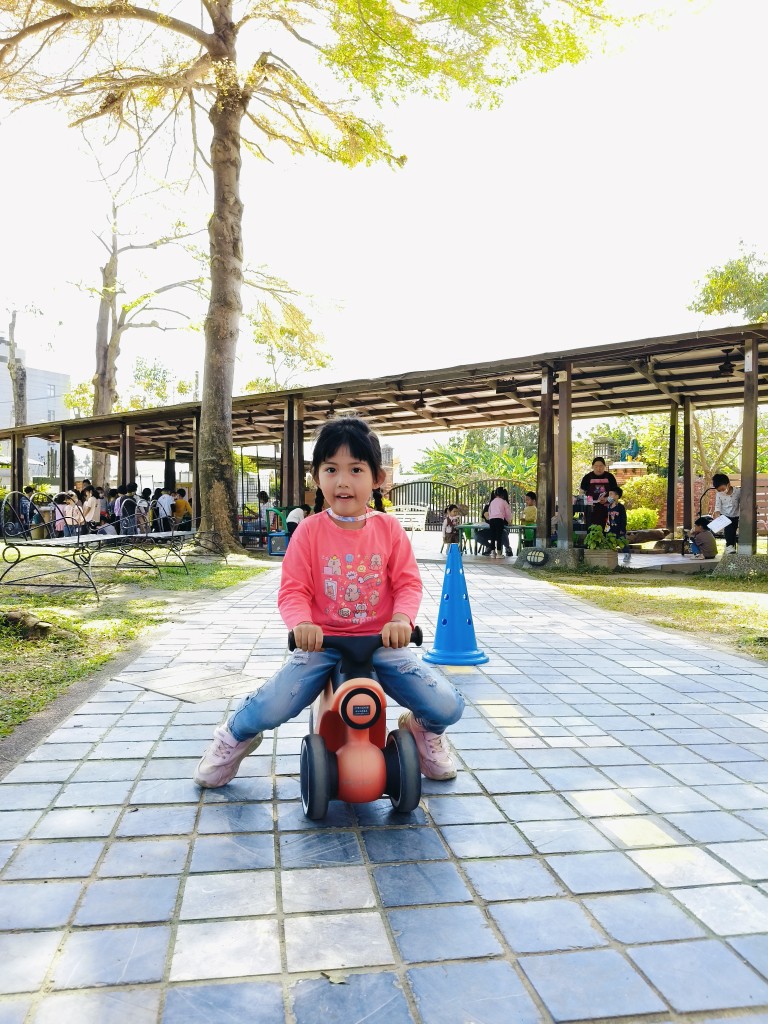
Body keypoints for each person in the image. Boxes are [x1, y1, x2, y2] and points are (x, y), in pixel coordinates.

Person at [194, 416, 464, 789]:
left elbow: (407, 582)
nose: (343, 481)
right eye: (331, 469)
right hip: (324, 644)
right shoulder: (309, 531)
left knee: (447, 705)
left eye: (356, 469)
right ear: (316, 476)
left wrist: (402, 619)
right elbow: (293, 589)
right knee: (276, 702)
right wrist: (302, 624)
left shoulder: (389, 529)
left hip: (381, 643)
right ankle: (234, 735)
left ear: (377, 478)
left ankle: (423, 730)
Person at [580, 458, 618, 527]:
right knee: (592, 529)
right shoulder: (587, 477)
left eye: (601, 466)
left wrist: (607, 499)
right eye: (596, 466)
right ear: (592, 466)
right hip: (591, 509)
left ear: (604, 466)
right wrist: (588, 502)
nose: (598, 468)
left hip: (607, 509)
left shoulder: (610, 477)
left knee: (607, 529)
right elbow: (582, 493)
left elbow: (616, 493)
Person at [713, 472, 740, 554]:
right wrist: (717, 514)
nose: (721, 491)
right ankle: (729, 546)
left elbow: (745, 501)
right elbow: (717, 506)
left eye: (723, 489)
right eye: (719, 490)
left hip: (735, 516)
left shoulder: (738, 491)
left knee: (733, 531)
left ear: (728, 484)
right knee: (728, 528)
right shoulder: (719, 495)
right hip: (724, 515)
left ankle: (730, 546)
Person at [606, 486, 630, 564]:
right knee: (610, 541)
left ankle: (627, 554)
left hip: (619, 529)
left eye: (611, 494)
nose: (609, 496)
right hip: (610, 529)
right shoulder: (608, 507)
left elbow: (623, 518)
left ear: (617, 496)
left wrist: (622, 529)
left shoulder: (620, 507)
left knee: (622, 541)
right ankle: (612, 555)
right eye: (609, 494)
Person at [487, 486, 512, 558]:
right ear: (503, 494)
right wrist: (509, 521)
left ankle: (492, 552)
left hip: (491, 520)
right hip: (499, 520)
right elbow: (507, 513)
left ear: (495, 494)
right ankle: (499, 553)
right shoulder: (504, 502)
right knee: (499, 536)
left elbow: (489, 511)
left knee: (492, 535)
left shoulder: (492, 502)